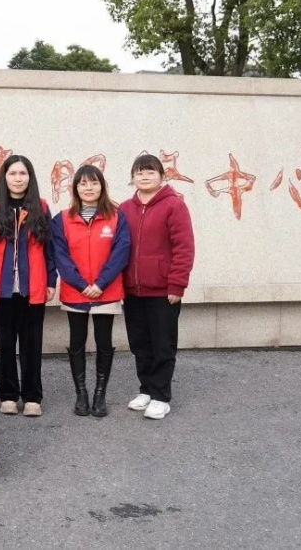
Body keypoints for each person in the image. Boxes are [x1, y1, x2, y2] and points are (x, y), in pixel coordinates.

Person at [119, 154, 195, 420]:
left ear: (162, 176)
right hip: (132, 290)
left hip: (163, 290)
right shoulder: (125, 209)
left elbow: (184, 248)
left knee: (163, 344)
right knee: (140, 344)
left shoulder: (174, 206)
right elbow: (118, 248)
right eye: (139, 172)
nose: (144, 176)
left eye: (150, 172)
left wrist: (177, 284)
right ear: (133, 178)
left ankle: (161, 396)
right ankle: (147, 389)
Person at [52, 164, 130, 418]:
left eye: (94, 183)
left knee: (104, 342)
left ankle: (99, 394)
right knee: (77, 341)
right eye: (83, 183)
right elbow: (60, 256)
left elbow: (121, 253)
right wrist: (81, 284)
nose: (88, 188)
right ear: (75, 188)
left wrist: (100, 284)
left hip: (106, 291)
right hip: (76, 291)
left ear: (102, 187)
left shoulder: (116, 218)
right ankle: (81, 394)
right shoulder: (62, 219)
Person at [0, 155, 57, 417]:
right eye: (13, 173)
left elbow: (49, 248)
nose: (18, 179)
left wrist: (51, 280)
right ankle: (7, 395)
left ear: (30, 177)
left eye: (23, 174)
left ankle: (32, 397)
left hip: (32, 287)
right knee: (5, 345)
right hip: (2, 288)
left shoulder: (41, 207)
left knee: (31, 345)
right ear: (4, 177)